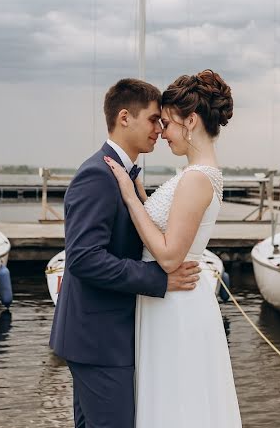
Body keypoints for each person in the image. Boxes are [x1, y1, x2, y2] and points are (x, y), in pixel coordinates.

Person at [49, 78, 202, 428]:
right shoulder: (96, 176)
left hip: (106, 336)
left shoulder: (120, 175)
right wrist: (159, 278)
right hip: (99, 340)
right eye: (153, 119)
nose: (160, 128)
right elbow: (84, 259)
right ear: (124, 118)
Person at [104, 69, 242, 427]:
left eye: (166, 123)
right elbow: (167, 220)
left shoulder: (198, 178)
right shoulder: (195, 173)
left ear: (191, 120)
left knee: (179, 405)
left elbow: (168, 256)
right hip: (168, 303)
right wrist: (140, 193)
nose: (162, 132)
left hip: (177, 306)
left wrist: (129, 198)